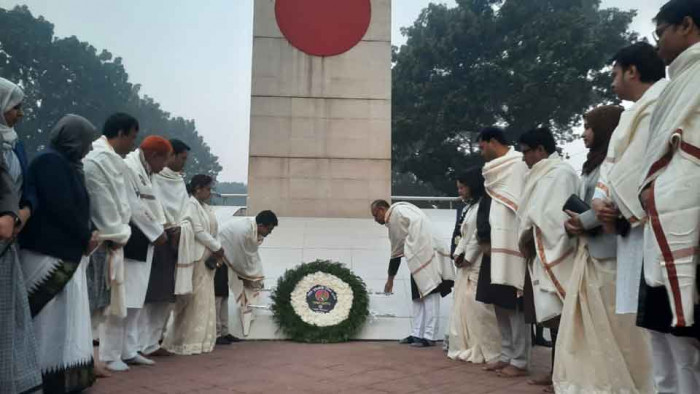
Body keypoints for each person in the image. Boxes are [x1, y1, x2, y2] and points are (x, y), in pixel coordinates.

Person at [554, 107, 655, 394]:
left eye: (589, 127)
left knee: (617, 324)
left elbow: (615, 203)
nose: (584, 133)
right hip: (590, 252)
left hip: (613, 253)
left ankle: (628, 380)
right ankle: (594, 379)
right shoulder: (593, 163)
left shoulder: (618, 163)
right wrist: (573, 224)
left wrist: (582, 221)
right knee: (591, 326)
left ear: (607, 128)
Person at [637, 1, 700, 392]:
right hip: (663, 222)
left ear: (687, 25)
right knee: (668, 341)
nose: (657, 43)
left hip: (687, 221)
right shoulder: (681, 81)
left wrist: (658, 191)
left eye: (661, 32)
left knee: (687, 346)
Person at [19, 114, 100, 393]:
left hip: (66, 251)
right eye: (87, 142)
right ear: (73, 139)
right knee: (45, 323)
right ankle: (38, 378)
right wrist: (85, 235)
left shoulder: (68, 165)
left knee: (64, 322)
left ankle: (61, 377)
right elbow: (61, 207)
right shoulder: (49, 162)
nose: (89, 148)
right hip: (48, 252)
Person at [516, 127, 580, 390]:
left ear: (541, 150)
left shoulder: (561, 173)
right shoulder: (542, 174)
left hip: (557, 252)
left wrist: (534, 235)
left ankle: (566, 375)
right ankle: (555, 371)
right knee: (551, 320)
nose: (523, 159)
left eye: (526, 152)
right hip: (539, 252)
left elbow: (557, 216)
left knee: (563, 317)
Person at [84, 113, 137, 375]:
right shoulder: (97, 160)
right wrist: (117, 234)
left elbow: (121, 203)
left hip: (112, 240)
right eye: (132, 137)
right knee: (90, 305)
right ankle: (85, 360)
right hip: (100, 241)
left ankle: (88, 360)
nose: (132, 144)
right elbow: (102, 203)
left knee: (99, 305)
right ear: (121, 133)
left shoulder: (113, 160)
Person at [476, 127, 531, 377]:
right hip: (492, 246)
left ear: (493, 142)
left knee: (514, 303)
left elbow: (522, 202)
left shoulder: (519, 164)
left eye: (481, 146)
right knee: (498, 302)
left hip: (512, 244)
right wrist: (484, 237)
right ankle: (506, 354)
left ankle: (519, 361)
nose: (480, 152)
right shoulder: (492, 171)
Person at [0, 77, 42, 394]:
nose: (21, 114)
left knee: (9, 317)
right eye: (16, 107)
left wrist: (22, 214)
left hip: (10, 238)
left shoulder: (16, 143)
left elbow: (28, 190)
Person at [371, 200, 455, 348]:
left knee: (430, 295)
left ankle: (429, 336)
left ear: (382, 209)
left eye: (375, 215)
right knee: (417, 297)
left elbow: (396, 252)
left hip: (428, 254)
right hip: (418, 256)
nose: (375, 219)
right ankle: (417, 334)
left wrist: (390, 280)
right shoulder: (402, 211)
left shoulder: (394, 215)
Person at [138, 139, 191, 357]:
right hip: (158, 238)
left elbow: (186, 209)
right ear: (172, 156)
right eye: (182, 158)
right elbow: (152, 206)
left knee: (168, 295)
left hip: (179, 241)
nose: (184, 163)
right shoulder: (154, 178)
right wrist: (166, 228)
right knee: (152, 294)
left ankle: (154, 341)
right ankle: (141, 343)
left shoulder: (179, 181)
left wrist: (183, 228)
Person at [163, 175, 223, 355]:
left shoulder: (206, 207)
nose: (210, 193)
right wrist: (217, 247)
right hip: (196, 257)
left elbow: (213, 230)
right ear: (197, 188)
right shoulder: (190, 205)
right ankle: (185, 341)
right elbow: (197, 230)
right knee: (193, 299)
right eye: (207, 189)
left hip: (208, 256)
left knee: (204, 300)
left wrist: (217, 249)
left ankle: (202, 341)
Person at [447, 168, 501, 363]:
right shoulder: (469, 207)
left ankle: (487, 347)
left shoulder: (482, 206)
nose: (460, 191)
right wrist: (457, 255)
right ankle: (467, 344)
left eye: (462, 187)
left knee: (479, 306)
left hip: (478, 263)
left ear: (473, 186)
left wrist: (467, 257)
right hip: (466, 263)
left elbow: (479, 234)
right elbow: (463, 234)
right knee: (463, 305)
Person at [219, 210, 278, 340]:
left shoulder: (252, 230)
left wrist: (255, 276)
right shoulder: (244, 232)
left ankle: (224, 332)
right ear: (261, 225)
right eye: (269, 229)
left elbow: (250, 256)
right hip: (219, 259)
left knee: (223, 297)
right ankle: (218, 334)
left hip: (226, 259)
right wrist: (249, 278)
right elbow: (240, 258)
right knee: (218, 297)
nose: (270, 233)